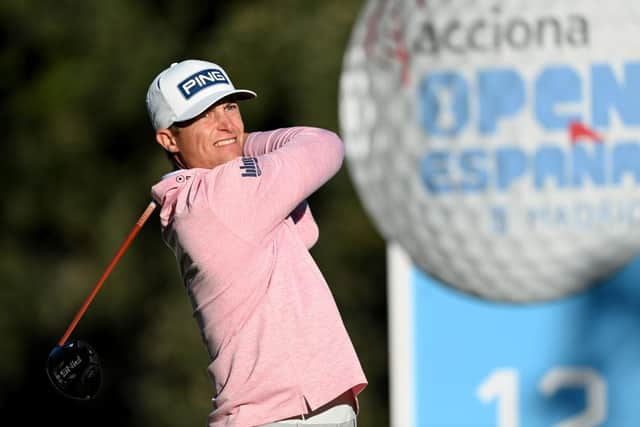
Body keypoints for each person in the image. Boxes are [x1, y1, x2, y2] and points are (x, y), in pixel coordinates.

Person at [145, 59, 367, 427]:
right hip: (285, 416)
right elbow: (324, 145)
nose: (226, 123)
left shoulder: (213, 195)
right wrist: (245, 143)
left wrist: (231, 144)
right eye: (204, 115)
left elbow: (304, 231)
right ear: (169, 139)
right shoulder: (220, 196)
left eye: (229, 107)